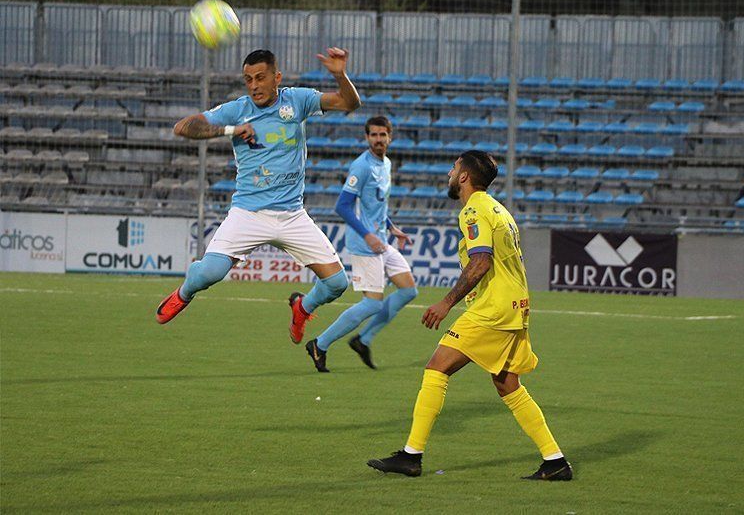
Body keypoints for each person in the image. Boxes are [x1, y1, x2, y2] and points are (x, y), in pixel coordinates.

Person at [367, 150, 572, 481]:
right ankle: (555, 461)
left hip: (492, 310)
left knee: (437, 367)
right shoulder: (497, 209)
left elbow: (481, 261)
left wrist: (446, 302)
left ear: (464, 177)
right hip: (514, 306)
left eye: (453, 168)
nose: (449, 173)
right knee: (507, 384)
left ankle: (411, 456)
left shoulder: (474, 210)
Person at [156, 48, 361, 347]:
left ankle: (302, 307)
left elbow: (349, 103)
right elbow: (183, 127)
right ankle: (184, 292)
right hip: (248, 213)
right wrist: (230, 129)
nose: (253, 85)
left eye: (261, 78)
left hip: (291, 215)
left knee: (337, 284)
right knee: (210, 273)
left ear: (276, 78)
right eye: (248, 79)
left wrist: (339, 75)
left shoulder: (298, 100)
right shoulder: (238, 109)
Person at [302, 116, 418, 372]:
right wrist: (368, 234)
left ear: (390, 137)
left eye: (382, 135)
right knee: (372, 303)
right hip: (365, 244)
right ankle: (319, 344)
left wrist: (390, 227)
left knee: (408, 291)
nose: (378, 139)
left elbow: (375, 205)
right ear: (367, 138)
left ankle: (363, 340)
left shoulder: (386, 164)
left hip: (382, 240)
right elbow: (342, 206)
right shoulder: (362, 166)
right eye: (373, 135)